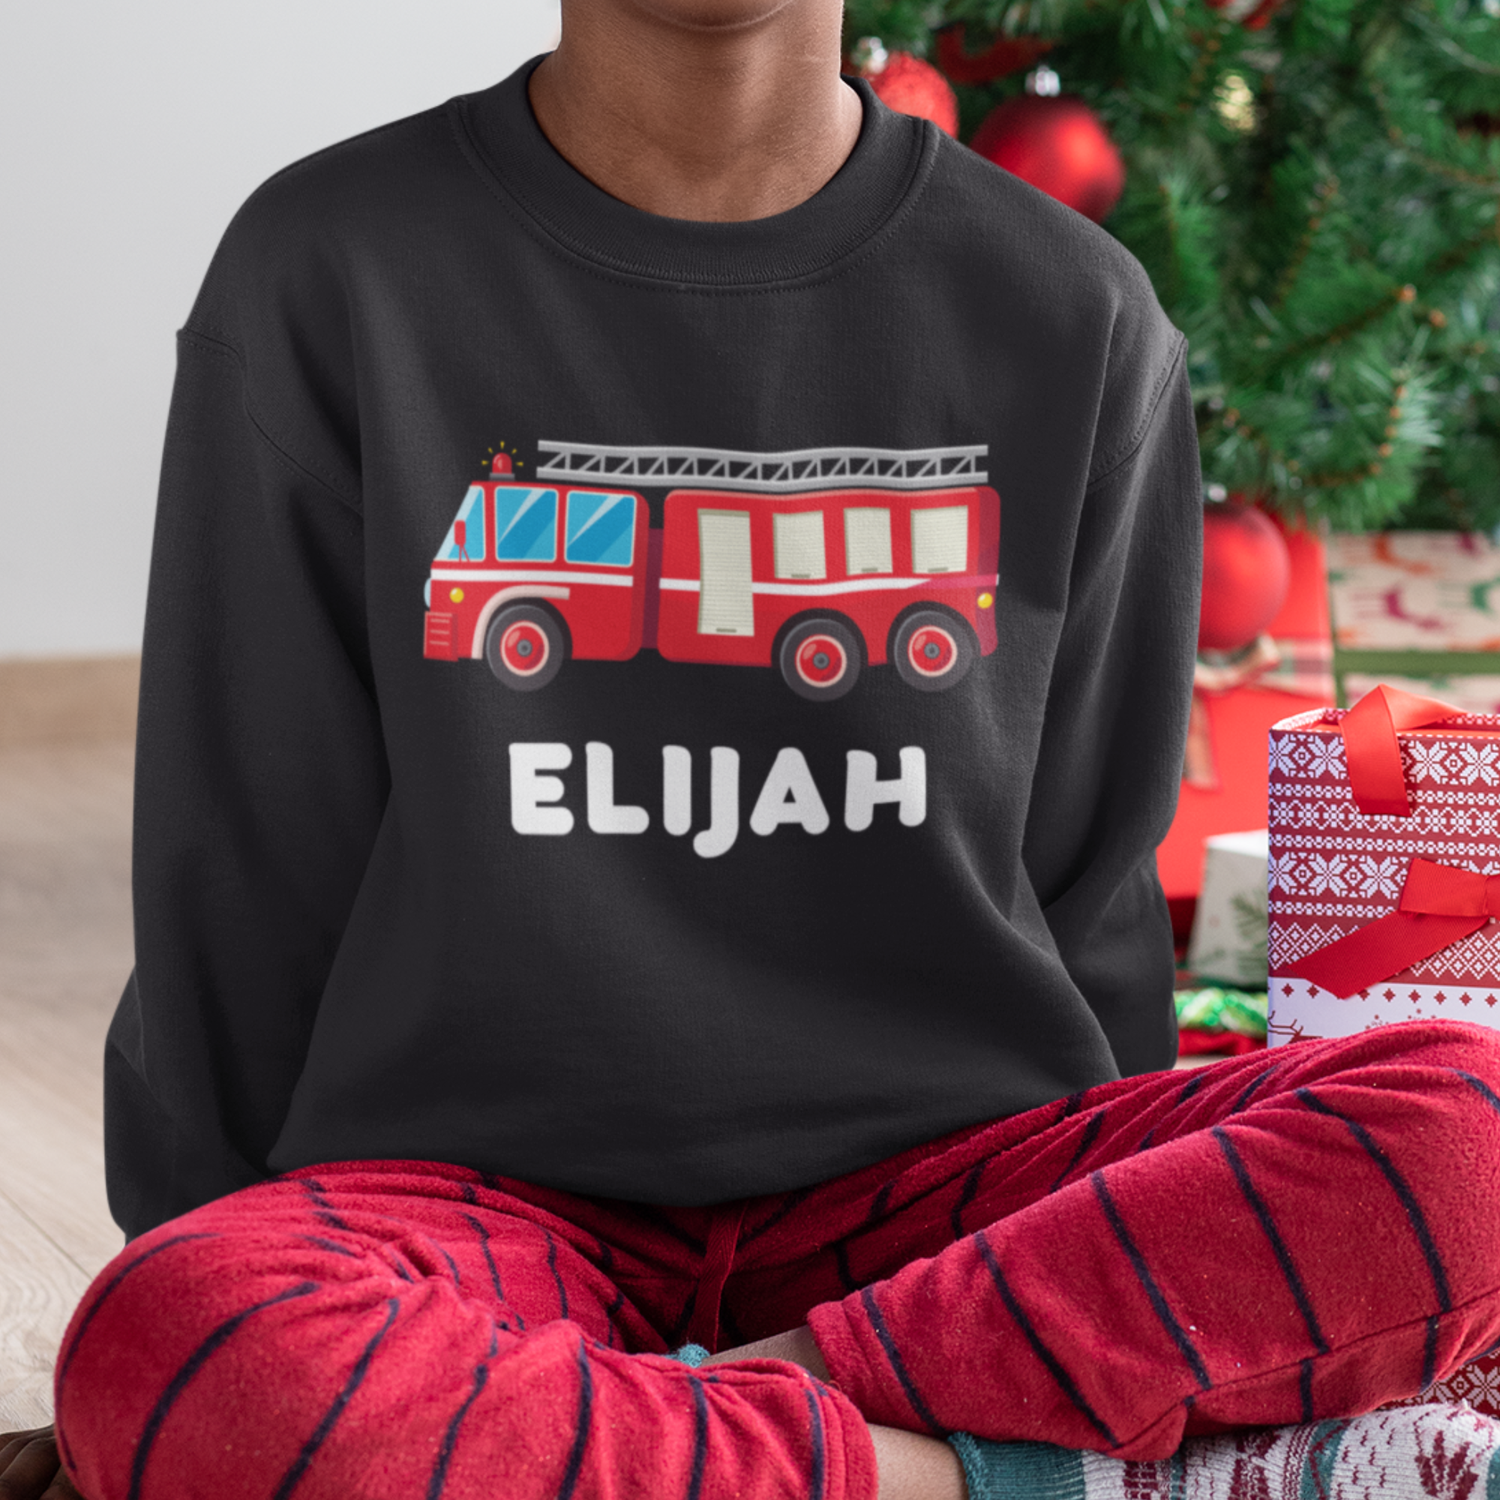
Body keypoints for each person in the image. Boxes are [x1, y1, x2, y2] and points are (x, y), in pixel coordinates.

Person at [7, 0, 1500, 1495]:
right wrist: (212, 1302)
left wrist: (1106, 1232)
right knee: (183, 1338)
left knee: (1476, 1134)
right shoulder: (326, 270)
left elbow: (1091, 887)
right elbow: (245, 874)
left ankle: (714, 1430)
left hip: (950, 1209)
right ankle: (995, 1470)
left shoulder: (1073, 312)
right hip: (470, 1206)